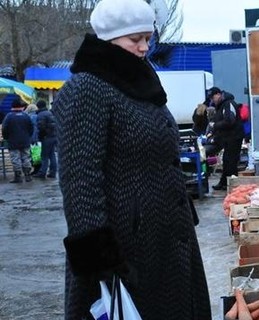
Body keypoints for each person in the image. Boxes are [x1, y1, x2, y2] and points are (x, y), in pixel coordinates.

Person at [51, 0, 212, 319]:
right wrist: (101, 261)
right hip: (126, 250)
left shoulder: (139, 83)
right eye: (135, 39)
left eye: (147, 39)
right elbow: (80, 179)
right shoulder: (88, 88)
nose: (144, 47)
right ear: (109, 38)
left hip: (166, 239)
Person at [205, 86, 244, 190]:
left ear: (218, 94)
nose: (212, 100)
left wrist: (215, 125)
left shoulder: (228, 104)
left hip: (234, 137)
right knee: (226, 160)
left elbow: (230, 121)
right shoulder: (222, 105)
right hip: (228, 137)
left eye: (213, 98)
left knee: (231, 161)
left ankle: (233, 184)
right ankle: (224, 183)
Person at [2, 97, 34, 183]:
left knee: (15, 158)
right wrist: (28, 136)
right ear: (21, 107)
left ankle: (18, 176)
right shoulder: (26, 116)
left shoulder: (9, 117)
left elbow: (4, 129)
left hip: (13, 142)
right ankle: (28, 175)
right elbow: (31, 128)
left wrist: (6, 138)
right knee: (26, 157)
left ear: (12, 107)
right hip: (25, 141)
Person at [33, 100, 58, 179]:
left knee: (44, 156)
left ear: (38, 106)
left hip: (46, 137)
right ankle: (53, 172)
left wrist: (40, 136)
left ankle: (42, 173)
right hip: (53, 136)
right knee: (52, 155)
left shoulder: (41, 115)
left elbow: (41, 127)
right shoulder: (50, 113)